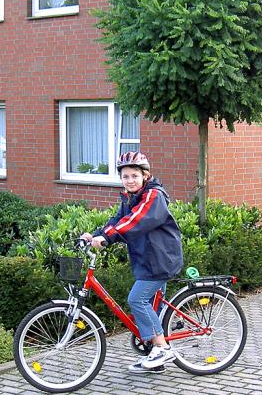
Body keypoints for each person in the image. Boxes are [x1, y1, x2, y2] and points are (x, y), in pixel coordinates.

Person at [81, 151, 184, 374]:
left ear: (145, 175)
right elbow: (118, 221)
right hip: (147, 259)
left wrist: (107, 238)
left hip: (160, 260)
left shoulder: (153, 196)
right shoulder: (130, 197)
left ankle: (162, 348)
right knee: (152, 307)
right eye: (125, 176)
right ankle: (155, 359)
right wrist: (96, 234)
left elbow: (135, 221)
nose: (130, 180)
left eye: (134, 175)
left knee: (137, 300)